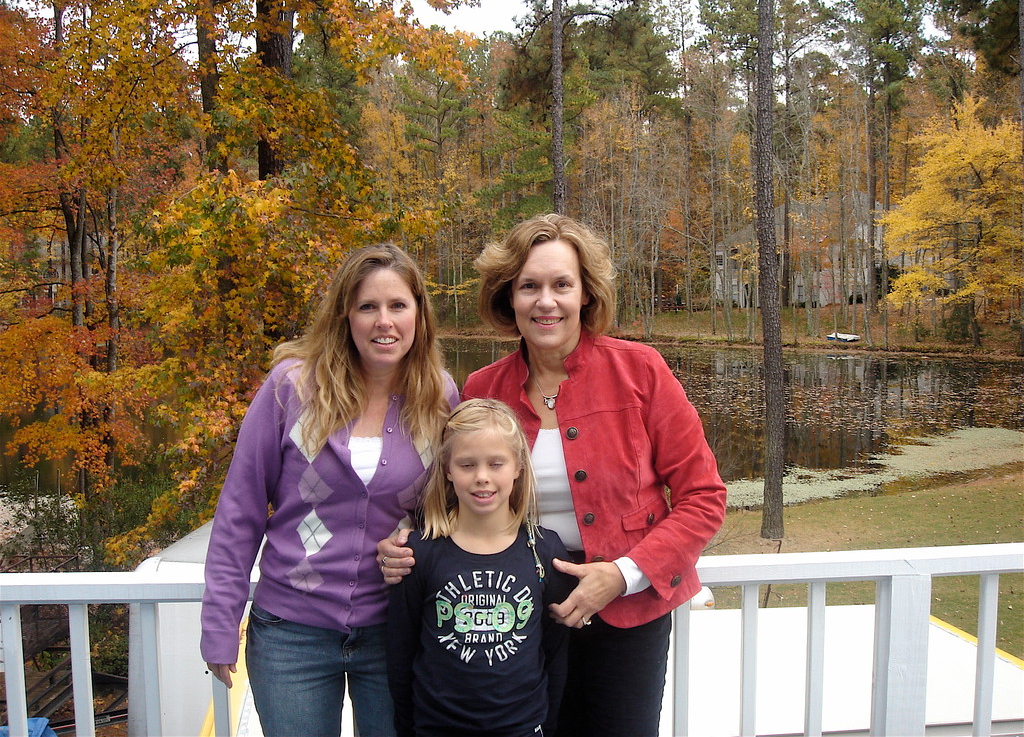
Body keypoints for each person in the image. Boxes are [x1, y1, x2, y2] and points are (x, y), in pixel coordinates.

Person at [380, 214, 727, 737]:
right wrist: (408, 538)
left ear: (586, 293)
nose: (546, 302)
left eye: (562, 284)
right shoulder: (484, 387)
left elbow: (704, 497)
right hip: (516, 612)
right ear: (509, 297)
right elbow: (454, 489)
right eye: (529, 286)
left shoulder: (641, 372)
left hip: (627, 612)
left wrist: (623, 574)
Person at [201, 243, 459, 737]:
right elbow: (241, 509)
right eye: (368, 306)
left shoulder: (438, 397)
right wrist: (220, 622)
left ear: (419, 315)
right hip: (290, 635)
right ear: (346, 315)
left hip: (394, 631)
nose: (384, 321)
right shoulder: (292, 389)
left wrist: (416, 545)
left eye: (398, 306)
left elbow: (451, 509)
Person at [386, 398, 573, 737]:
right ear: (447, 469)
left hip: (522, 727)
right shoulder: (420, 553)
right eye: (467, 465)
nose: (482, 477)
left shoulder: (545, 551)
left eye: (496, 463)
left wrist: (549, 723)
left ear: (518, 466)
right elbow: (402, 651)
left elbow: (555, 651)